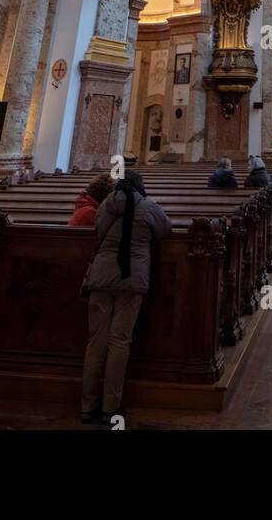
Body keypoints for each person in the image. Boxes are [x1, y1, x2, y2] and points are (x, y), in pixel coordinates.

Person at [80, 170, 172, 425]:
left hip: (100, 277)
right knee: (119, 341)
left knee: (95, 342)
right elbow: (165, 229)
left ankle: (87, 406)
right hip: (131, 279)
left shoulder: (106, 205)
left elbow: (97, 231)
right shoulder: (148, 206)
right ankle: (110, 406)